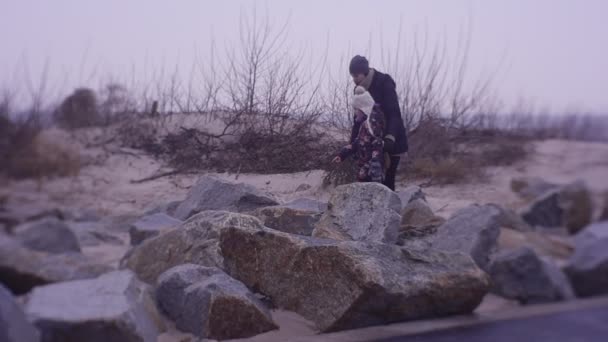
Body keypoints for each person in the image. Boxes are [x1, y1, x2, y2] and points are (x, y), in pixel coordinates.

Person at [349, 55, 408, 191]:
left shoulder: (384, 82)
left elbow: (394, 113)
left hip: (391, 141)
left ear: (364, 72)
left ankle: (391, 211)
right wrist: (352, 143)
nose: (354, 80)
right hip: (370, 144)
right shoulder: (359, 89)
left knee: (387, 183)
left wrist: (390, 138)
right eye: (352, 76)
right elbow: (358, 120)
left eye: (356, 76)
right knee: (369, 182)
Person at [333, 86, 385, 183]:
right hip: (364, 170)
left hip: (371, 173)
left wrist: (375, 170)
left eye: (356, 109)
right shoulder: (364, 124)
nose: (355, 112)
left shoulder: (374, 125)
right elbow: (358, 142)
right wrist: (342, 155)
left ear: (363, 109)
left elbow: (378, 146)